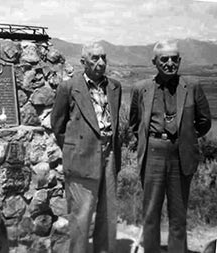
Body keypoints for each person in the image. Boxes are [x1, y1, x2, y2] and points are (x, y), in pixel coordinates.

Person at [129, 40, 211, 252]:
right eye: (164, 59)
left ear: (180, 61)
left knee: (178, 215)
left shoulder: (192, 86)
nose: (170, 63)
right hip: (153, 155)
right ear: (154, 62)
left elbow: (204, 122)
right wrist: (154, 141)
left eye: (174, 59)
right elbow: (134, 124)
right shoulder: (141, 89)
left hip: (181, 155)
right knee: (150, 214)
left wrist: (186, 138)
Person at [51, 42, 122, 253]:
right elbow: (58, 125)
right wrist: (76, 147)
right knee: (81, 216)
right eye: (95, 58)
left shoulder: (115, 87)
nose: (101, 63)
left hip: (109, 155)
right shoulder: (69, 87)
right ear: (83, 62)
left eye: (104, 58)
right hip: (82, 156)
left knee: (108, 214)